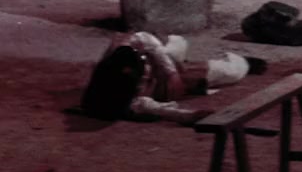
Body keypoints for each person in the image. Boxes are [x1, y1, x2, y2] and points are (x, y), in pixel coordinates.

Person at [80, 31, 266, 124]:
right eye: (143, 81)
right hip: (166, 80)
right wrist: (190, 115)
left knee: (175, 46)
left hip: (163, 59)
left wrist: (171, 72)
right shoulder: (120, 97)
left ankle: (174, 58)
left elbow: (143, 37)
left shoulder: (119, 52)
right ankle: (243, 62)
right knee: (229, 73)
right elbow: (155, 108)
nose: (145, 80)